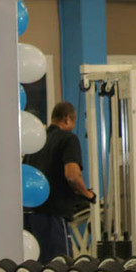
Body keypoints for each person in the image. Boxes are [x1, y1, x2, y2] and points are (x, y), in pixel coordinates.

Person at [22, 102, 96, 262]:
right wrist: (87, 194)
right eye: (74, 121)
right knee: (59, 268)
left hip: (28, 216)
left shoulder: (37, 141)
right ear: (67, 118)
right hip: (52, 214)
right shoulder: (68, 139)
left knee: (34, 268)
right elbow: (72, 175)